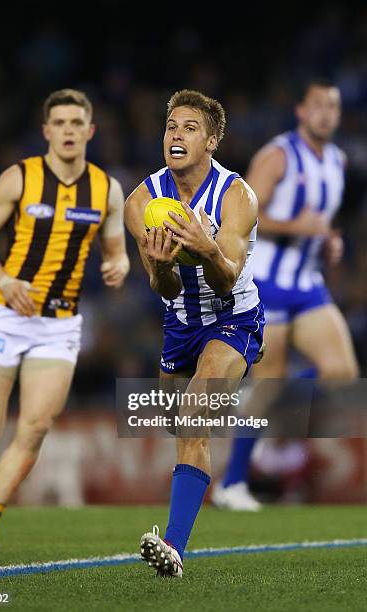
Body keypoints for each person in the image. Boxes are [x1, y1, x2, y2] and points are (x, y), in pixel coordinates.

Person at [0, 88, 129, 547]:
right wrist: (4, 280)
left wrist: (120, 263)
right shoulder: (19, 178)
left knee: (35, 425)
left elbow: (116, 248)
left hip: (59, 324)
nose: (69, 130)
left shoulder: (106, 189)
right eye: (61, 123)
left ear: (90, 131)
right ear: (46, 131)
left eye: (78, 123)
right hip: (5, 314)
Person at [124, 89, 264, 577]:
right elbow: (161, 287)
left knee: (193, 415)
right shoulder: (141, 201)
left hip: (233, 317)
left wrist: (207, 249)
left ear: (212, 141)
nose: (176, 135)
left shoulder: (236, 196)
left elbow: (227, 278)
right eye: (171, 127)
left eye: (189, 128)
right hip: (180, 321)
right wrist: (161, 266)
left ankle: (174, 549)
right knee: (177, 423)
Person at [212, 78, 359, 511]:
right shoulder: (278, 155)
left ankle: (263, 411)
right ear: (301, 110)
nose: (326, 114)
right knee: (269, 379)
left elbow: (318, 223)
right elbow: (240, 218)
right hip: (268, 283)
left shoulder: (337, 160)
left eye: (332, 106)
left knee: (342, 373)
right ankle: (232, 484)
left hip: (308, 284)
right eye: (317, 105)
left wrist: (329, 242)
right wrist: (299, 227)